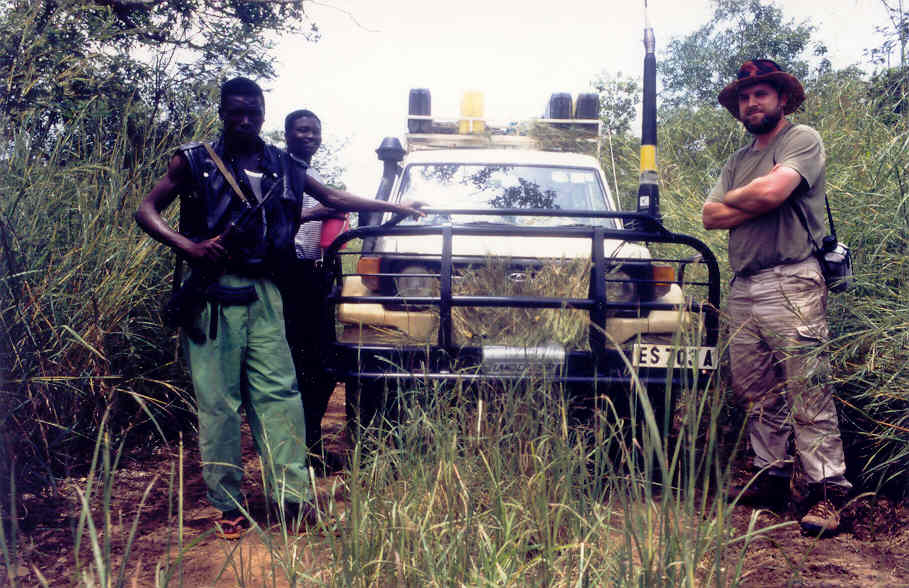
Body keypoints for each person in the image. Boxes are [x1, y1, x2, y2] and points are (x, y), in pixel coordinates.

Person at [135, 78, 421, 538]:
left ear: (264, 114)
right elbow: (146, 209)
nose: (244, 119)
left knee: (280, 396)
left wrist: (396, 207)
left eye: (252, 111)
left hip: (267, 291)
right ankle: (228, 505)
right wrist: (189, 246)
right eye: (235, 111)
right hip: (211, 293)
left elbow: (332, 198)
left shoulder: (282, 164)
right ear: (223, 112)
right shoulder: (193, 160)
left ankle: (291, 499)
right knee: (219, 404)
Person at [702, 60, 851, 536]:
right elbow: (709, 215)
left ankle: (827, 493)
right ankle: (772, 478)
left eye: (761, 94)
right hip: (743, 285)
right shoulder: (737, 158)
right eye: (745, 98)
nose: (752, 103)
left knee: (807, 389)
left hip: (793, 280)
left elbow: (774, 192)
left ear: (782, 99)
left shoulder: (801, 139)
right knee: (756, 392)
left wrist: (743, 199)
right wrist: (754, 196)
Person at [280, 109, 344, 472]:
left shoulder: (311, 175)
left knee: (322, 367)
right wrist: (316, 213)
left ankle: (311, 445)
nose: (309, 137)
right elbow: (282, 218)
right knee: (305, 366)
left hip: (313, 275)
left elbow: (331, 205)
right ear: (287, 134)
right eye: (302, 131)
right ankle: (301, 453)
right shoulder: (281, 171)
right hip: (288, 276)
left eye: (314, 131)